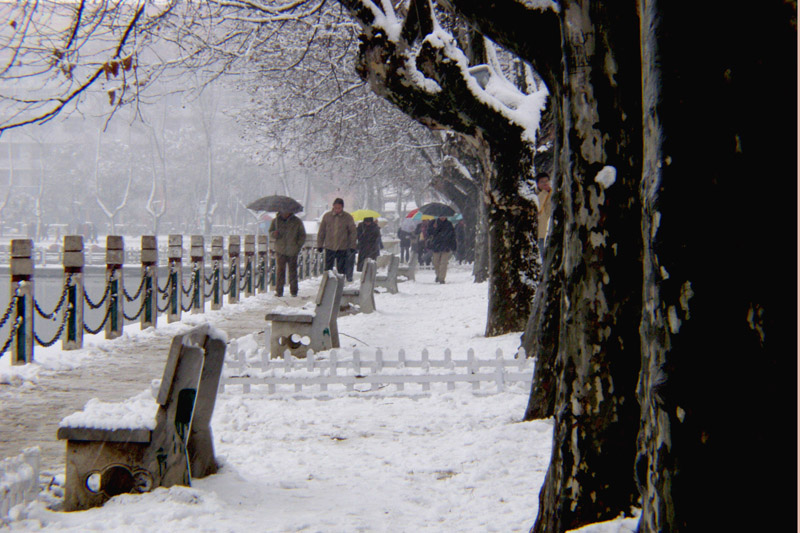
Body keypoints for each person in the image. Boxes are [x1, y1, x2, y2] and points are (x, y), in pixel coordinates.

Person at [316, 198, 357, 281]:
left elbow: (353, 232)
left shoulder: (347, 217)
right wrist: (320, 245)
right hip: (329, 246)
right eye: (336, 208)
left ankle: (340, 284)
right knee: (328, 269)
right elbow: (322, 231)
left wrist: (353, 246)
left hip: (342, 247)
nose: (337, 210)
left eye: (339, 208)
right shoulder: (327, 216)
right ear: (333, 207)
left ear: (342, 208)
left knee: (341, 269)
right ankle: (327, 283)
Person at [269, 210, 307, 297]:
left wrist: (297, 246)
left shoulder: (297, 221)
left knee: (292, 271)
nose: (285, 213)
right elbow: (271, 232)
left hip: (292, 250)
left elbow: (302, 235)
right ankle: (279, 291)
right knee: (280, 271)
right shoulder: (276, 221)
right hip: (280, 249)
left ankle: (294, 291)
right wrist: (274, 234)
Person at [428, 215, 458, 284]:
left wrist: (453, 246)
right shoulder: (433, 223)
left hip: (446, 245)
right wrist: (433, 228)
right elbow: (429, 233)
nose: (442, 217)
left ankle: (442, 278)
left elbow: (452, 235)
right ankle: (438, 275)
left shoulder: (449, 224)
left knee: (443, 263)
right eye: (441, 216)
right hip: (436, 245)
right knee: (436, 262)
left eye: (444, 216)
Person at [536, 172, 553, 258]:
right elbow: (538, 208)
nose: (545, 183)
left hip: (551, 232)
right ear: (538, 184)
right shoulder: (536, 195)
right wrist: (544, 193)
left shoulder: (553, 195)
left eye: (547, 181)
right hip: (540, 234)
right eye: (542, 182)